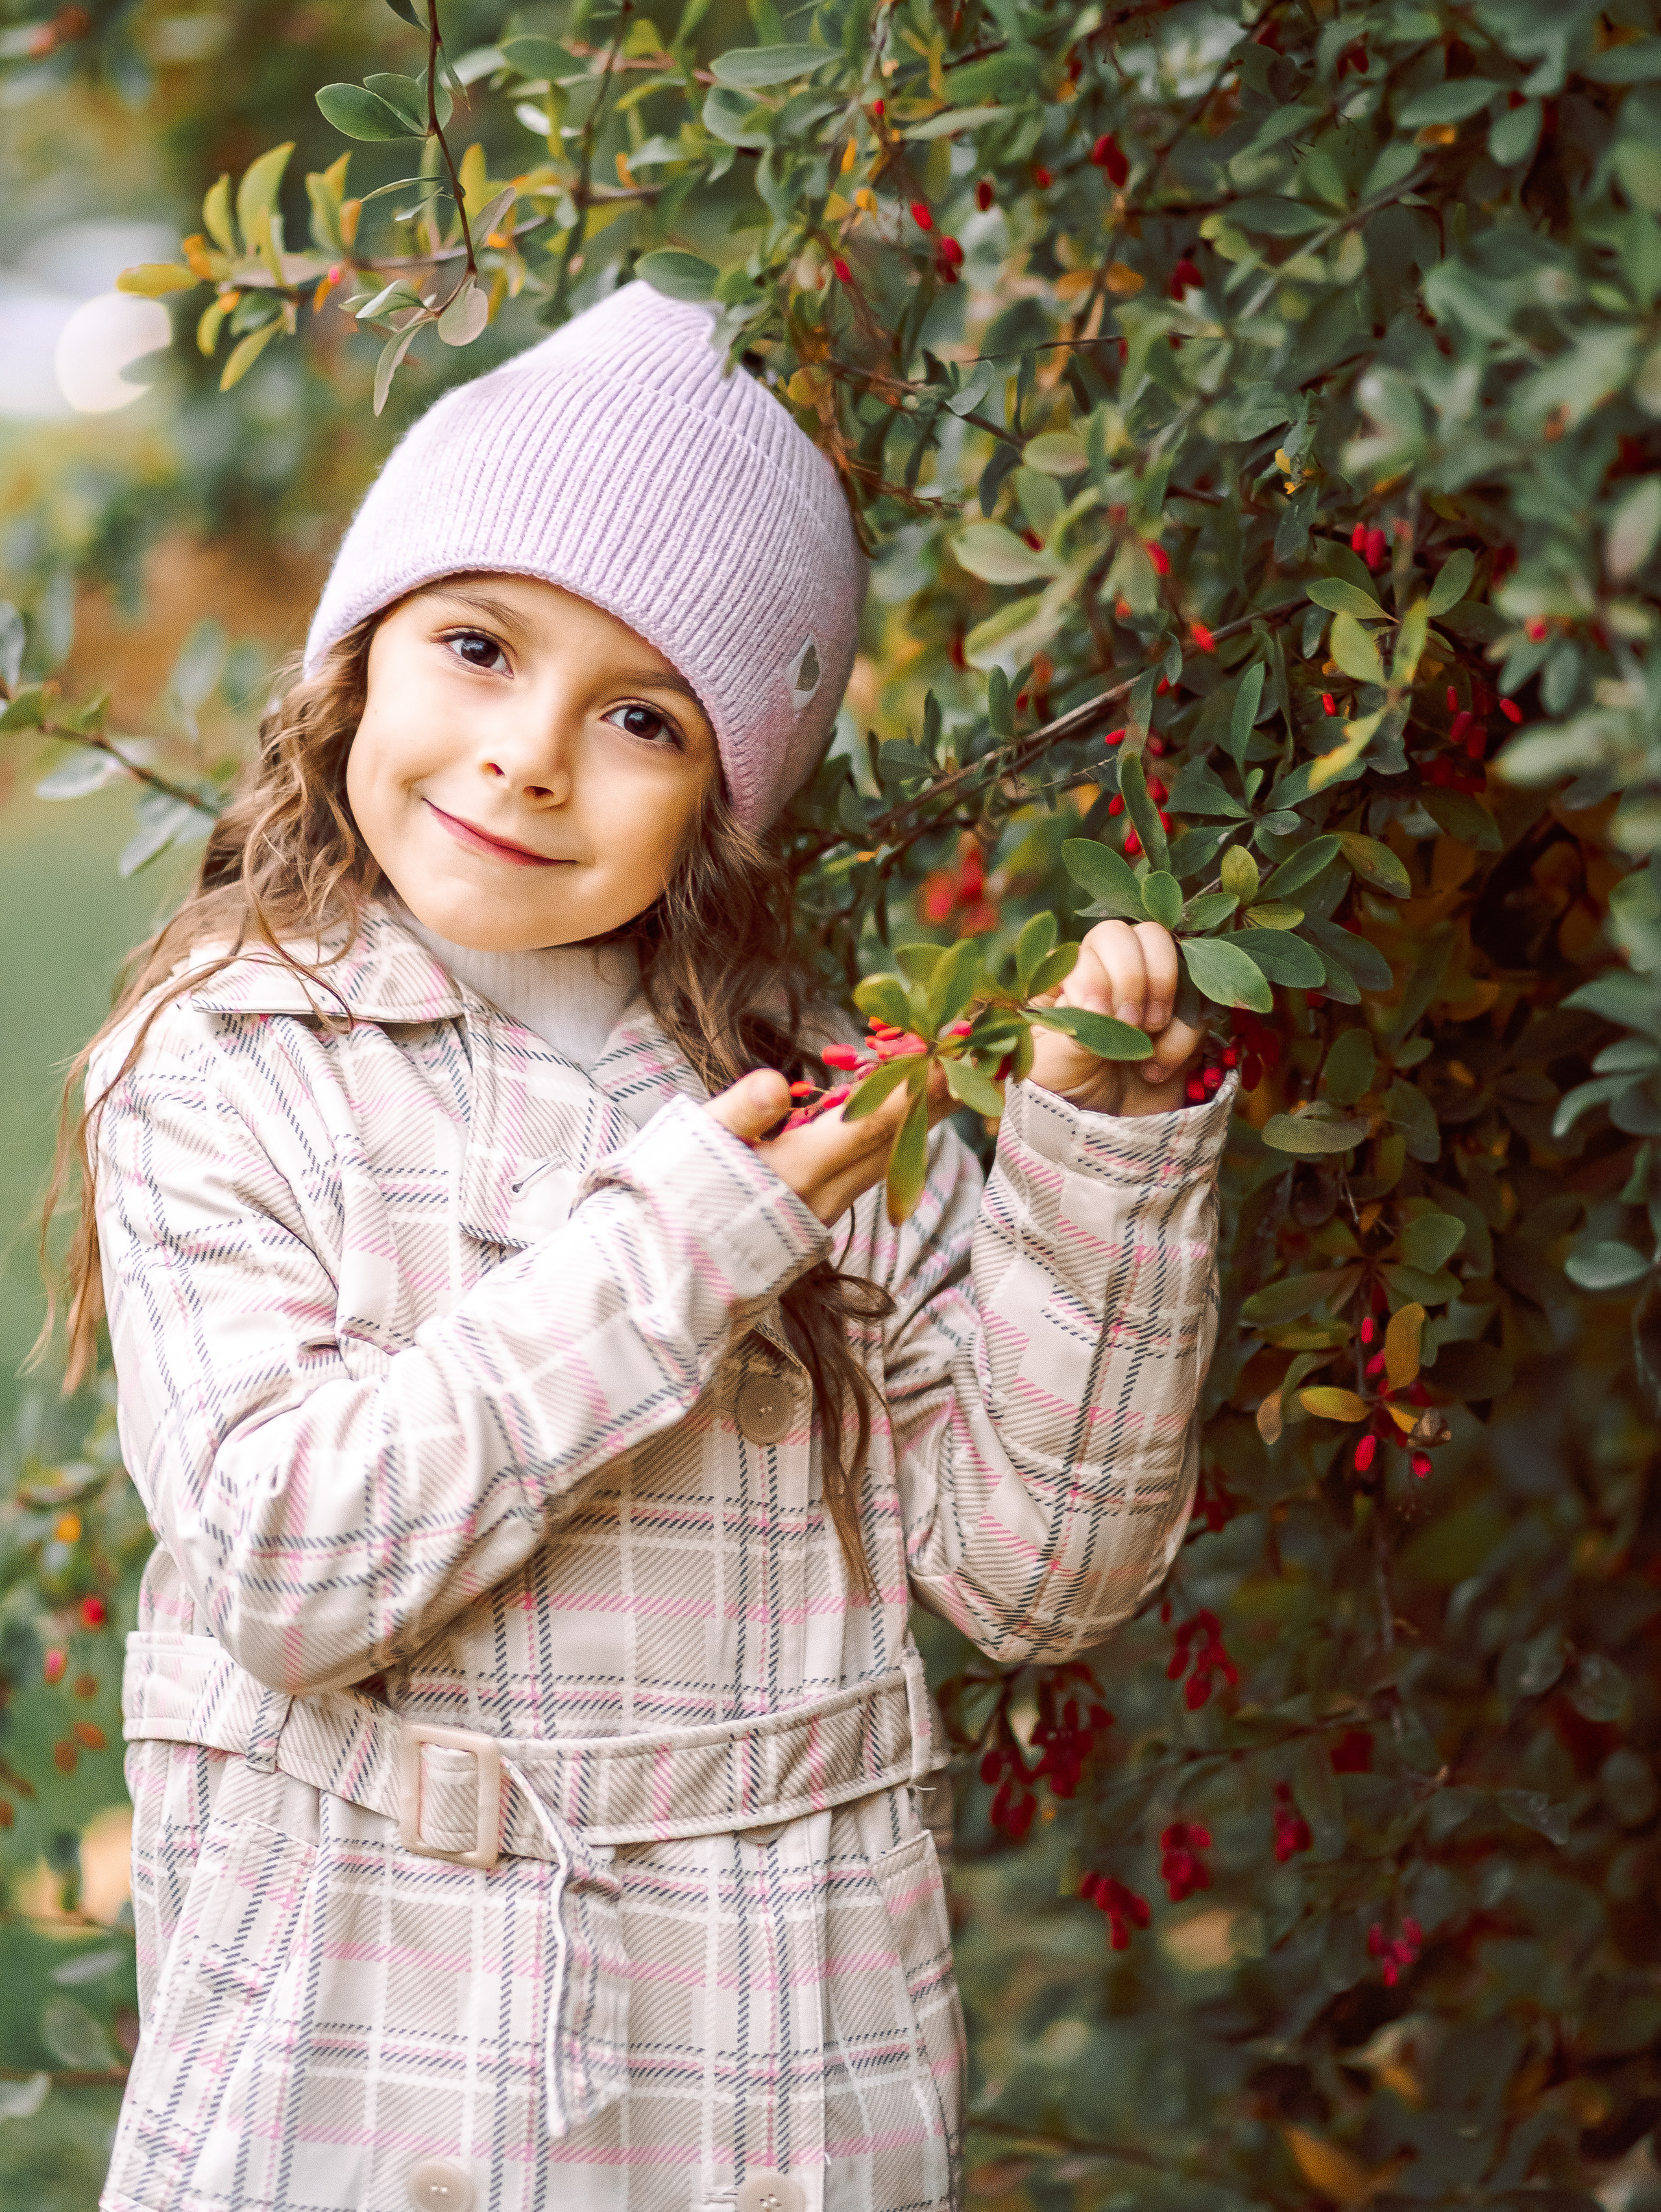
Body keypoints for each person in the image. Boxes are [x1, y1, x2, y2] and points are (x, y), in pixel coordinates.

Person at [55, 284, 1232, 2212]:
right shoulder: (230, 1056)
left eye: (638, 715)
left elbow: (1033, 1575)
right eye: (476, 644)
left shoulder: (814, 1094)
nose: (526, 755)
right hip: (355, 2069)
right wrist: (700, 1234)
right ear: (361, 659)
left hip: (761, 2085)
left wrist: (1096, 1176)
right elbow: (289, 1553)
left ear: (721, 799)